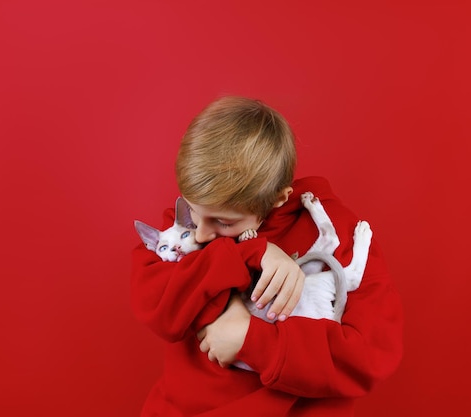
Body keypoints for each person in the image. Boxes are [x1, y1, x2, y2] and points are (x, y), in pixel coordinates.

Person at [131, 96, 403, 416]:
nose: (200, 234)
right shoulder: (194, 225)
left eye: (223, 222)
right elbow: (153, 293)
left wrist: (251, 339)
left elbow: (370, 357)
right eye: (191, 210)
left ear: (277, 199)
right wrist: (252, 251)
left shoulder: (343, 234)